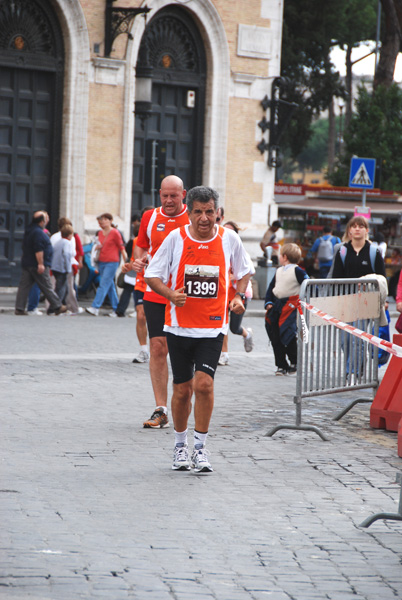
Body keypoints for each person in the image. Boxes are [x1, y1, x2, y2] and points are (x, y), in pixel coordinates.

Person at [144, 185, 252, 472]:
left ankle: (201, 448)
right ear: (189, 213)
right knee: (181, 391)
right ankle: (180, 445)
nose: (204, 218)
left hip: (213, 328)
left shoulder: (229, 239)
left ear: (217, 213)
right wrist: (170, 294)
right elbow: (152, 274)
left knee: (203, 384)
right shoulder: (175, 238)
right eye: (198, 212)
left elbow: (244, 272)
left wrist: (238, 297)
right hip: (179, 327)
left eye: (209, 212)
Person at [122, 175, 189, 429]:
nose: (169, 200)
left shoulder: (193, 217)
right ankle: (161, 409)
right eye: (165, 195)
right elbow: (140, 246)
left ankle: (184, 401)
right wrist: (138, 260)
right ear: (159, 194)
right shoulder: (150, 217)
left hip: (185, 294)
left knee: (183, 351)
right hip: (156, 292)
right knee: (158, 348)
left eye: (174, 195)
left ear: (184, 194)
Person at [264, 243, 309, 375]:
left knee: (288, 335)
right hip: (277, 306)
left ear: (284, 256)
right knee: (275, 335)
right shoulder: (278, 271)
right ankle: (281, 365)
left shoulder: (298, 271)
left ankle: (294, 362)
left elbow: (308, 285)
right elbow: (271, 289)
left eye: (280, 254)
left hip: (290, 307)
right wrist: (269, 302)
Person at [15, 211, 67, 315]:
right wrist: (40, 263)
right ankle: (57, 305)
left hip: (28, 263)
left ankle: (19, 308)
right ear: (42, 221)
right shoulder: (38, 232)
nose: (47, 220)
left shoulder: (29, 230)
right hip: (36, 264)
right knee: (46, 285)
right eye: (46, 218)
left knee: (24, 286)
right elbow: (38, 249)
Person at [218, 221, 254, 366]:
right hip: (223, 294)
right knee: (223, 325)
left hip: (239, 294)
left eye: (230, 231)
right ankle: (224, 355)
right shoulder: (219, 249)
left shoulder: (241, 251)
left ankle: (247, 334)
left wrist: (235, 276)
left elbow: (250, 271)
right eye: (223, 230)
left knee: (234, 328)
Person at [85, 213, 127, 316]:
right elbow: (96, 246)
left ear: (110, 220)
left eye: (104, 220)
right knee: (110, 285)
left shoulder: (115, 233)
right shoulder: (99, 233)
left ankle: (95, 307)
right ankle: (117, 308)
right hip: (101, 262)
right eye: (100, 221)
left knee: (103, 284)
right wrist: (97, 247)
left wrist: (127, 263)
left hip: (112, 262)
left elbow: (122, 249)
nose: (101, 222)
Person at [51, 224, 74, 303]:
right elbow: (66, 255)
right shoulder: (67, 243)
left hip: (55, 267)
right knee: (61, 289)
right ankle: (56, 306)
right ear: (69, 235)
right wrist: (68, 269)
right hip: (61, 268)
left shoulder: (58, 242)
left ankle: (63, 304)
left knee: (64, 288)